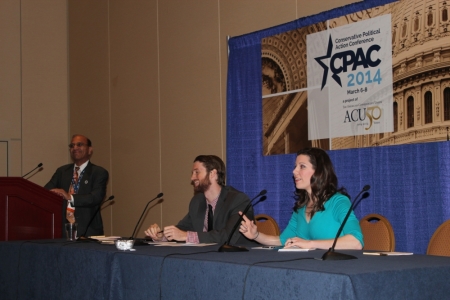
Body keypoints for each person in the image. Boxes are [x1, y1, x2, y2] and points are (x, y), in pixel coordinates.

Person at [239, 147, 364, 249]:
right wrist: (256, 235)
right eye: (295, 166)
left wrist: (310, 244)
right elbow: (283, 240)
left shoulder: (338, 201)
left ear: (318, 172)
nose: (294, 171)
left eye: (302, 166)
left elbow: (356, 242)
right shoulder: (301, 208)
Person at [145, 155, 255, 245]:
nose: (192, 178)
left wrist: (186, 236)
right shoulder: (197, 201)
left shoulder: (238, 200)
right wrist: (161, 235)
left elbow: (227, 236)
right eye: (192, 173)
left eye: (197, 172)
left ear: (213, 174)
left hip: (238, 259)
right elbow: (183, 228)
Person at [44, 134, 109, 238]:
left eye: (79, 145)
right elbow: (46, 191)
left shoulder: (98, 172)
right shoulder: (62, 171)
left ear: (90, 150)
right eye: (72, 145)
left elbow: (96, 197)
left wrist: (70, 197)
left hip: (88, 231)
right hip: (62, 230)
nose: (75, 148)